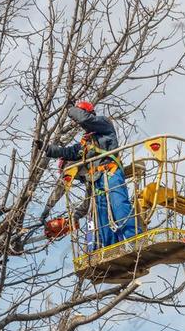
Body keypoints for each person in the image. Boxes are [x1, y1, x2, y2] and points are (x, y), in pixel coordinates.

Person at [42, 101, 140, 250]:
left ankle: (137, 241)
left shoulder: (104, 124)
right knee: (100, 219)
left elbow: (84, 119)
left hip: (110, 172)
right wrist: (47, 149)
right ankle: (109, 251)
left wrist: (70, 109)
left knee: (119, 207)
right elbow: (67, 152)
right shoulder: (85, 144)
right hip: (97, 180)